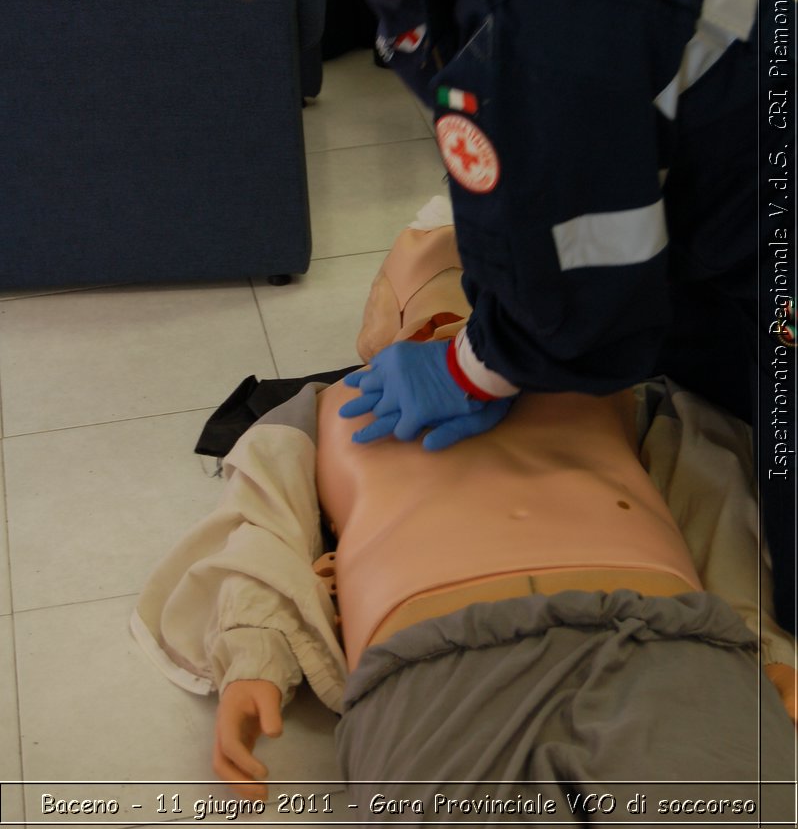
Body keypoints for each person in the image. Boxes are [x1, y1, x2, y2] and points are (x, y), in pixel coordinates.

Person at [179, 0, 795, 634]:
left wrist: (482, 365)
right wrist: (496, 330)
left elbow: (595, 284)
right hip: (720, 170)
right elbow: (506, 154)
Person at [131, 209, 796, 818]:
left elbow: (716, 508)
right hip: (439, 671)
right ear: (378, 327)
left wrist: (759, 645)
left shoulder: (625, 389)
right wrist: (254, 658)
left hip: (666, 642)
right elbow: (261, 526)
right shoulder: (325, 410)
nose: (453, 299)